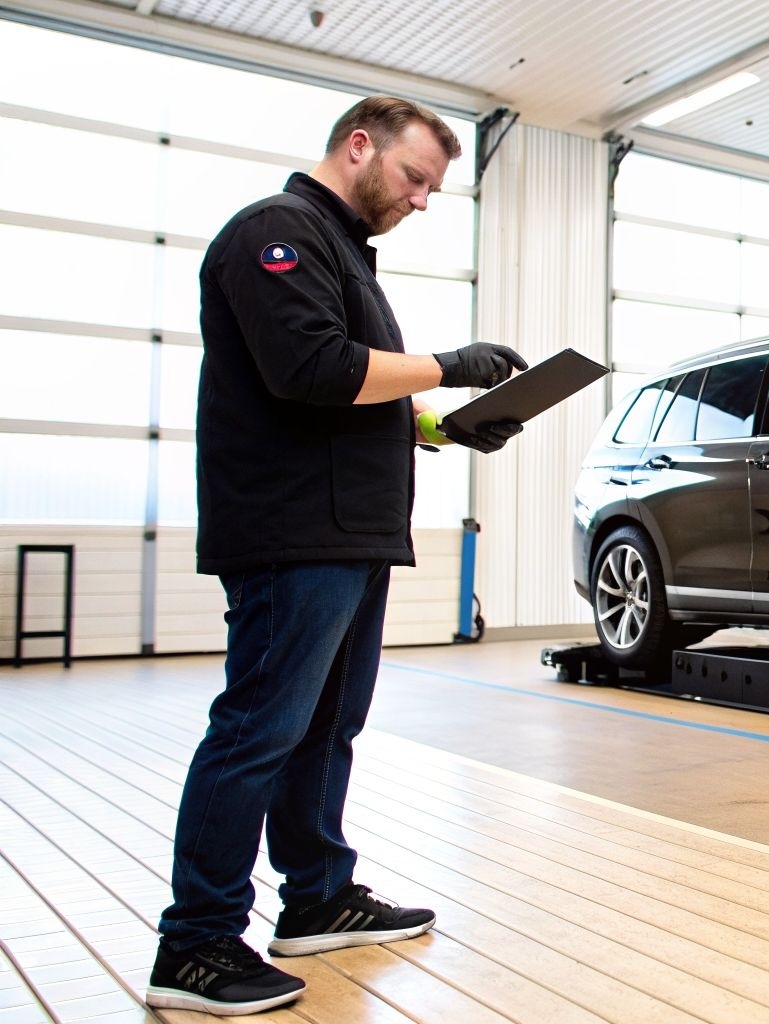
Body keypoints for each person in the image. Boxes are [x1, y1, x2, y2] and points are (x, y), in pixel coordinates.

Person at [149, 96, 527, 1016]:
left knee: (326, 729)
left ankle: (316, 895)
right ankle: (195, 943)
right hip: (291, 533)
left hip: (349, 532)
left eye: (434, 188)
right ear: (359, 146)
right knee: (258, 730)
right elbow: (312, 370)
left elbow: (348, 396)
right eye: (413, 178)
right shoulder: (275, 232)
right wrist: (449, 365)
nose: (423, 200)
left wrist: (444, 424)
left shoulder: (343, 253)